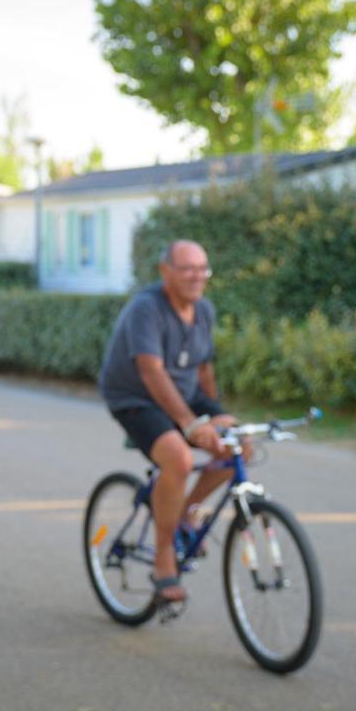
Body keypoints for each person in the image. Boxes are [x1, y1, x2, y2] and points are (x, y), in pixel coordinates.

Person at [98, 239, 247, 606]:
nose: (197, 276)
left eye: (203, 268)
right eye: (187, 268)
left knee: (238, 443)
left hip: (185, 392)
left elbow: (204, 368)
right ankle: (164, 559)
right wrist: (190, 424)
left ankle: (185, 511)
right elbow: (151, 371)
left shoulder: (203, 311)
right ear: (166, 272)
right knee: (178, 459)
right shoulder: (146, 309)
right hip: (135, 397)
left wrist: (216, 414)